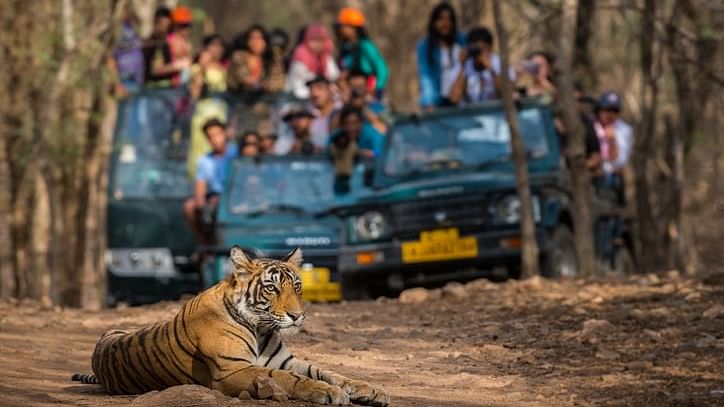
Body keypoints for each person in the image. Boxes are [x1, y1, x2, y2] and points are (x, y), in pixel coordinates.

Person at [184, 119, 238, 243]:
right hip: (216, 198)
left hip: (236, 195)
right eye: (211, 136)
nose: (215, 139)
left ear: (225, 133)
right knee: (190, 207)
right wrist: (203, 206)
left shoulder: (237, 152)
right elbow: (200, 191)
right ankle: (205, 244)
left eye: (218, 134)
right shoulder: (204, 161)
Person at [417, 2, 467, 109]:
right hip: (438, 101)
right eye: (440, 19)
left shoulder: (462, 41)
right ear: (434, 23)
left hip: (462, 98)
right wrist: (428, 102)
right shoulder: (425, 47)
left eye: (449, 19)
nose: (445, 23)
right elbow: (426, 77)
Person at [335, 7, 389, 99]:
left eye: (344, 26)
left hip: (368, 89)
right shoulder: (346, 47)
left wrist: (377, 88)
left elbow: (382, 69)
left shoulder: (366, 46)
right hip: (349, 90)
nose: (341, 29)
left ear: (354, 28)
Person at [448, 27, 502, 105]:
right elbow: (454, 99)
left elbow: (505, 95)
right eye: (476, 50)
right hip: (469, 114)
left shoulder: (498, 63)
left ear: (490, 48)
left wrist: (491, 69)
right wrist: (463, 67)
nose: (479, 53)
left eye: (483, 49)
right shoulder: (463, 65)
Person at [594, 91, 633, 201]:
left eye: (614, 111)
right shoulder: (591, 126)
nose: (610, 114)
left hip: (612, 179)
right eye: (607, 110)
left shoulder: (624, 129)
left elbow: (619, 161)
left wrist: (611, 140)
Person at [285, 24, 340, 99]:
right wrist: (315, 93)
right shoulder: (300, 57)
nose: (317, 44)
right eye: (314, 40)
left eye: (320, 40)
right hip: (299, 98)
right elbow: (297, 86)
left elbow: (333, 76)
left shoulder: (326, 57)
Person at [227, 25, 284, 94]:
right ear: (247, 41)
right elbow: (243, 78)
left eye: (260, 38)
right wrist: (258, 83)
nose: (256, 42)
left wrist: (266, 85)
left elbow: (277, 82)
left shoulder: (272, 59)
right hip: (239, 96)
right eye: (252, 38)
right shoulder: (239, 56)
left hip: (265, 97)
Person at [110, 7, 145, 97]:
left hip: (137, 76)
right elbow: (112, 59)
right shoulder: (118, 31)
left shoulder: (137, 31)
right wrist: (116, 81)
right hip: (124, 76)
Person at [142, 7, 174, 88]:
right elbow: (156, 70)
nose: (163, 29)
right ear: (155, 22)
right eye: (161, 24)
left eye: (167, 26)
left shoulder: (166, 43)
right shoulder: (151, 43)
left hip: (167, 89)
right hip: (153, 88)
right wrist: (177, 66)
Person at [307, 76, 342, 150]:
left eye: (319, 88)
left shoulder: (342, 109)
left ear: (330, 90)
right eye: (311, 90)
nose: (314, 94)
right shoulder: (307, 114)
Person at [190, 34, 227, 99]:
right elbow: (194, 93)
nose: (218, 49)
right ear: (206, 47)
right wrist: (202, 67)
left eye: (220, 45)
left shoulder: (225, 68)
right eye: (214, 45)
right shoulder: (197, 68)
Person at [167, 6, 194, 87]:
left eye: (188, 26)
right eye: (183, 26)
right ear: (175, 26)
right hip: (173, 80)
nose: (186, 29)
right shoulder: (170, 39)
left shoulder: (185, 41)